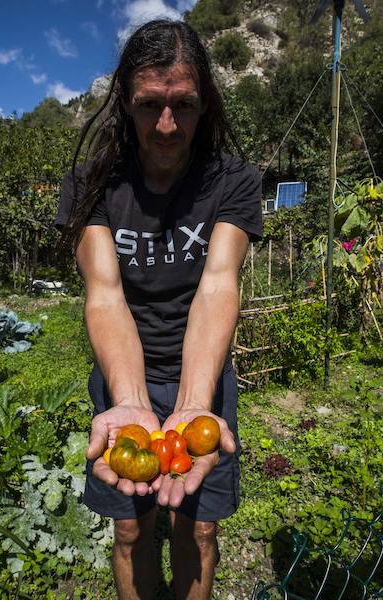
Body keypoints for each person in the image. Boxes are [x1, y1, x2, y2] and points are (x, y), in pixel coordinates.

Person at [55, 19, 262, 600]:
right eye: (150, 106)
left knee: (196, 529)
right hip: (125, 375)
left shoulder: (234, 182)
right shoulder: (90, 184)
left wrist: (197, 402)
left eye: (184, 105)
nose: (167, 126)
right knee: (130, 528)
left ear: (205, 104)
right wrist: (130, 400)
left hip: (202, 372)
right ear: (126, 104)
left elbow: (217, 286)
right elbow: (105, 294)